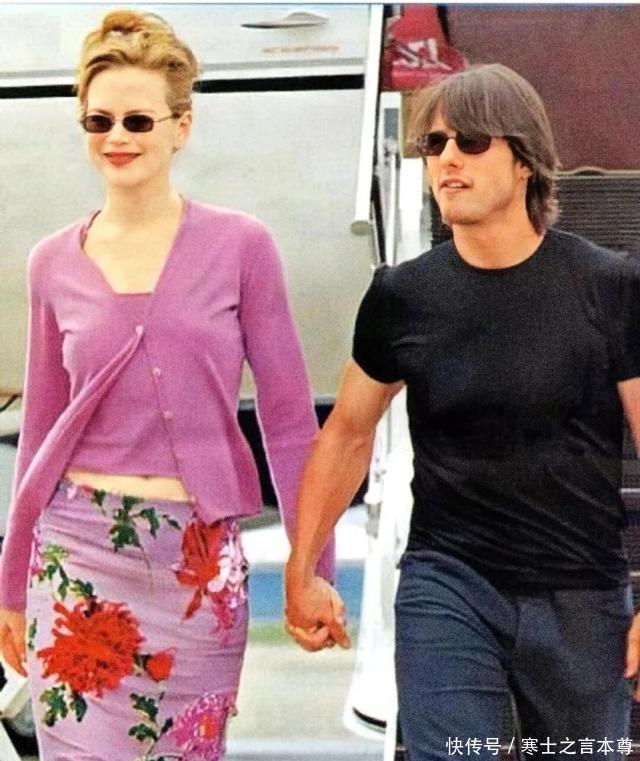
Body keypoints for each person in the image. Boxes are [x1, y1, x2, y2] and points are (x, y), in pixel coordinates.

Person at [0, 10, 333, 760]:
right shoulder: (51, 262)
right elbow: (41, 431)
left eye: (138, 120)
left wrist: (312, 564)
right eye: (99, 121)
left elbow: (288, 423)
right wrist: (12, 585)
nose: (117, 137)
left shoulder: (243, 246)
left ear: (182, 126)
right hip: (76, 555)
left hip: (198, 564)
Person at [285, 63, 640, 759]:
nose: (447, 158)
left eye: (471, 142)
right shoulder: (402, 296)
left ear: (526, 160)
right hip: (449, 581)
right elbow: (348, 434)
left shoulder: (607, 286)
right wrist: (303, 567)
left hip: (579, 595)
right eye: (434, 144)